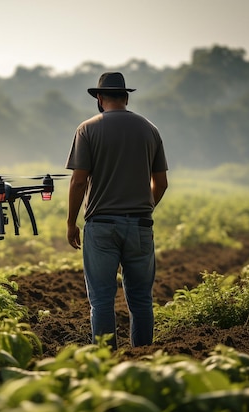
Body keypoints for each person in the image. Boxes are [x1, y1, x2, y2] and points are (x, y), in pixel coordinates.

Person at [65, 72, 169, 350]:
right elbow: (161, 183)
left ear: (99, 99)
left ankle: (105, 361)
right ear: (126, 96)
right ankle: (142, 357)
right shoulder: (150, 130)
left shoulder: (87, 129)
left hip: (100, 226)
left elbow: (78, 180)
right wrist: (143, 207)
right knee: (141, 300)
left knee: (101, 301)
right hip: (140, 226)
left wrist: (71, 223)